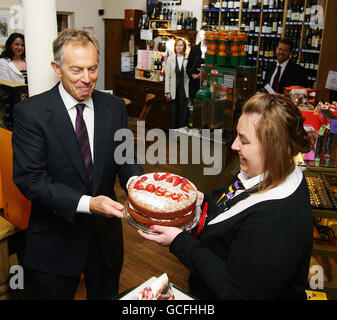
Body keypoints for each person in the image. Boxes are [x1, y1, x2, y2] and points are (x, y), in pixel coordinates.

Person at [139, 93, 315, 300]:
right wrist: (201, 200)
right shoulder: (264, 174)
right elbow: (230, 210)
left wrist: (179, 241)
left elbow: (236, 292)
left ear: (273, 149)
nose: (234, 146)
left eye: (244, 141)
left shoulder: (276, 220)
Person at [11, 28, 143, 300]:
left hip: (105, 243)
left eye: (93, 69)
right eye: (76, 70)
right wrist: (89, 203)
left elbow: (125, 158)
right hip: (55, 243)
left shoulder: (114, 107)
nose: (87, 79)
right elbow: (31, 180)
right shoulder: (31, 113)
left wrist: (137, 186)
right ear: (56, 68)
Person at [165, 38, 189, 129]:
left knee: (183, 113)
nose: (179, 47)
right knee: (173, 112)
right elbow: (167, 77)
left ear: (184, 47)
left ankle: (181, 134)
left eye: (181, 45)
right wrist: (167, 92)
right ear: (175, 47)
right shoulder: (170, 59)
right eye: (177, 45)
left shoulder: (188, 58)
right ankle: (173, 135)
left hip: (184, 89)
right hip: (173, 90)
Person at [186, 28, 207, 103]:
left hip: (206, 84)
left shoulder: (213, 50)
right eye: (204, 35)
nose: (205, 37)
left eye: (207, 35)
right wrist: (193, 75)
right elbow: (188, 67)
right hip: (194, 84)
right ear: (201, 36)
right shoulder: (194, 49)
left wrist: (204, 73)